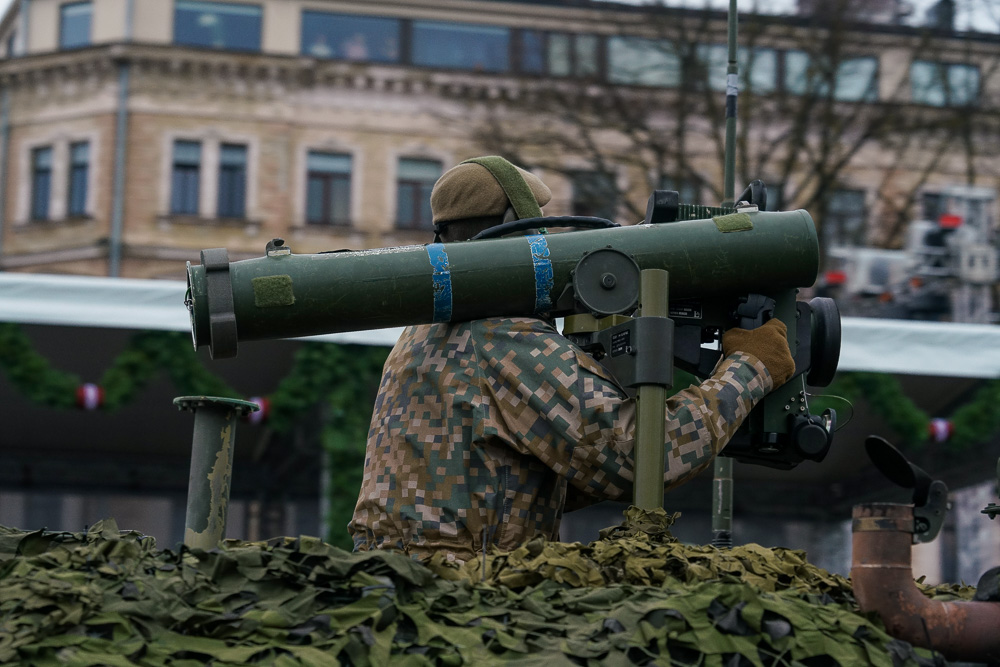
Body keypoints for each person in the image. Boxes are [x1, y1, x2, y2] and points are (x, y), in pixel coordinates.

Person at [349, 157, 795, 562]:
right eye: (539, 227)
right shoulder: (503, 338)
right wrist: (750, 367)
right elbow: (645, 458)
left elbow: (523, 473)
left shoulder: (426, 330)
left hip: (402, 582)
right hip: (463, 595)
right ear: (519, 230)